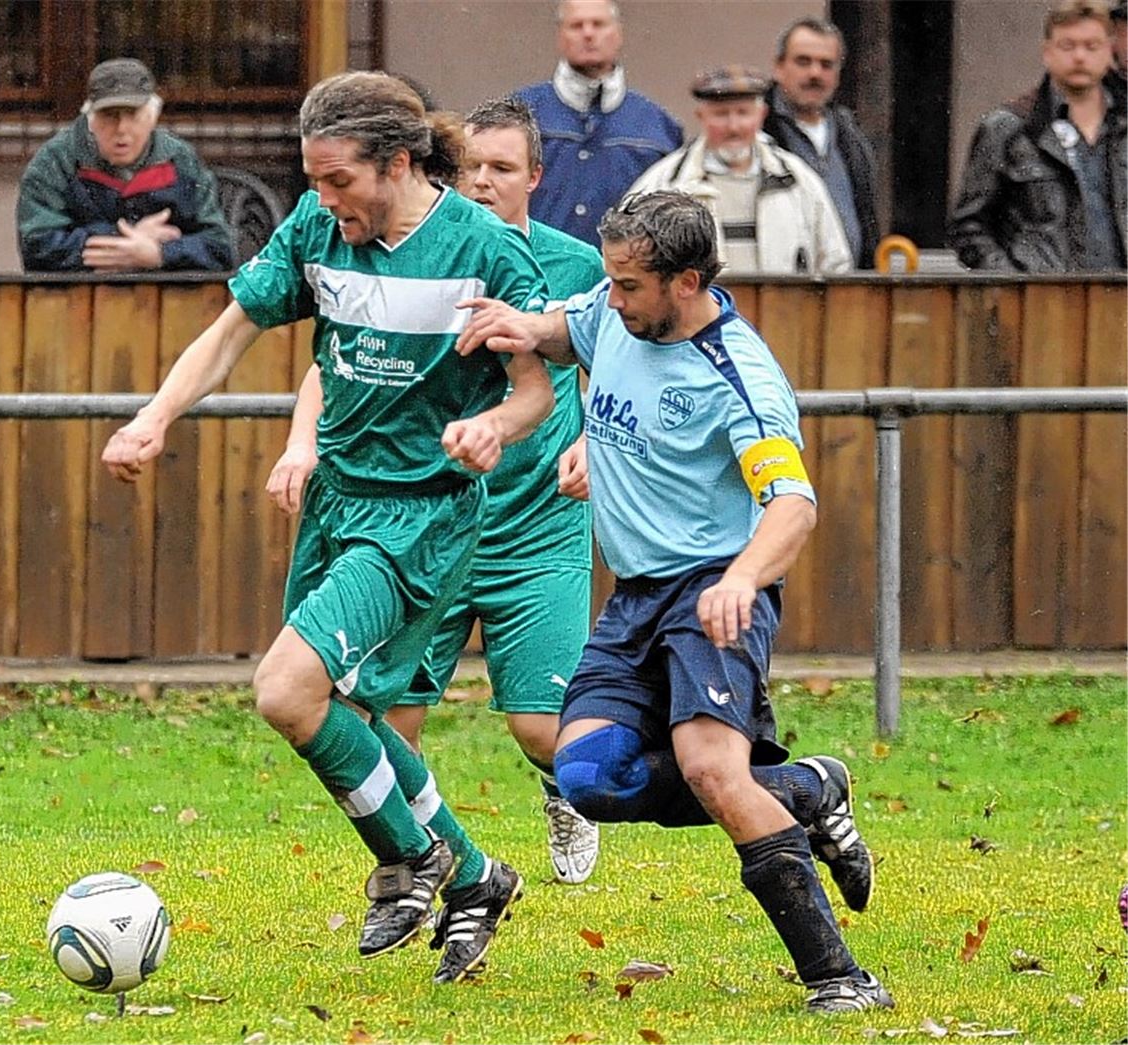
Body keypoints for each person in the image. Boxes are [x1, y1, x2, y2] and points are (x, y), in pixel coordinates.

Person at [101, 72, 556, 985]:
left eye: (339, 180)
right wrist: (155, 418)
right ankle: (471, 874)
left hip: (421, 515)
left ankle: (413, 857)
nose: (321, 199)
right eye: (313, 180)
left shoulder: (485, 252)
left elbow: (538, 390)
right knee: (340, 708)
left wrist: (492, 427)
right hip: (338, 505)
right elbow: (231, 330)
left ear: (397, 163)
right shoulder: (319, 229)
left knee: (285, 690)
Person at [454, 190, 893, 1014]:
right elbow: (564, 329)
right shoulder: (615, 315)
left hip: (713, 593)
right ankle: (807, 789)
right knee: (587, 774)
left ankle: (840, 977)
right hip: (635, 598)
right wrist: (514, 322)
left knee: (711, 770)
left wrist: (741, 578)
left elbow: (793, 503)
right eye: (610, 282)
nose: (610, 298)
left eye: (628, 285)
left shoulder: (740, 377)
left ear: (685, 281)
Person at [266, 96, 605, 886]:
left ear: (536, 178)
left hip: (535, 524)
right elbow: (338, 358)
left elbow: (608, 370)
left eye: (504, 169)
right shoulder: (407, 249)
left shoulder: (573, 267)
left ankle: (560, 794)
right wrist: (300, 442)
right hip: (426, 516)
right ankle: (446, 875)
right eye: (474, 166)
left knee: (542, 728)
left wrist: (592, 440)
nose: (484, 182)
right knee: (387, 719)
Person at [948, 0, 1126, 271]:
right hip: (1040, 303)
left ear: (1109, 51)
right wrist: (1015, 285)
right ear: (1047, 52)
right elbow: (969, 226)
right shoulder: (1008, 128)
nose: (1079, 57)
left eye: (1092, 46)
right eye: (1067, 45)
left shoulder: (1122, 128)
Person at [628, 66, 852, 276]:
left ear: (761, 115)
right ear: (701, 116)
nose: (733, 127)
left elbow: (835, 263)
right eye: (721, 114)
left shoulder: (798, 181)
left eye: (743, 113)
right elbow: (631, 261)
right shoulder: (664, 184)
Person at [16, 58, 232, 272]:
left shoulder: (181, 159)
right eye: (109, 116)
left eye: (133, 115)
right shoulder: (54, 162)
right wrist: (124, 239)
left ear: (152, 117)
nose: (121, 129)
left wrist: (161, 253)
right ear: (90, 119)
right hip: (77, 298)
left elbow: (220, 248)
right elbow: (37, 246)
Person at [515, 0, 682, 245]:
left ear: (618, 34)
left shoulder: (657, 125)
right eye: (576, 25)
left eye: (598, 24)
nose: (588, 34)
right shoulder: (519, 115)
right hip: (540, 269)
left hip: (625, 275)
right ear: (560, 36)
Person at [763, 17, 881, 269]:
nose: (815, 73)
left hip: (849, 291)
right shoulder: (757, 130)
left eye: (826, 64)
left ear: (838, 74)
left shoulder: (850, 134)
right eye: (803, 61)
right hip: (780, 291)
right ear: (778, 67)